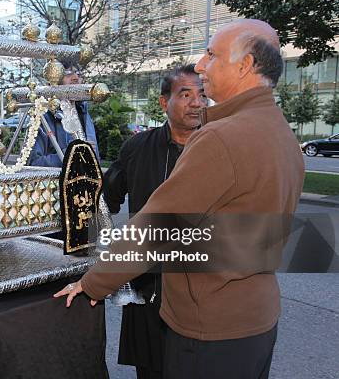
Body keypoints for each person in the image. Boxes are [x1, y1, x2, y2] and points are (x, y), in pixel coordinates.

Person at [55, 19, 305, 379]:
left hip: (210, 330)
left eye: (211, 55)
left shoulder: (222, 136)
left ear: (245, 65)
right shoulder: (280, 131)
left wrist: (92, 283)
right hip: (257, 320)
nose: (201, 67)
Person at [104, 64, 206, 379]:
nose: (196, 103)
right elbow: (105, 203)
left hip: (200, 283)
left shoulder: (218, 147)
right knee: (151, 367)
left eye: (201, 95)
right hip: (146, 283)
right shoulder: (138, 148)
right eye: (185, 94)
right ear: (164, 102)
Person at [28, 61, 98, 167]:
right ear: (53, 81)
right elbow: (33, 164)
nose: (75, 78)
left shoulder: (84, 112)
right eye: (68, 73)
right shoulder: (43, 116)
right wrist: (71, 154)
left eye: (78, 73)